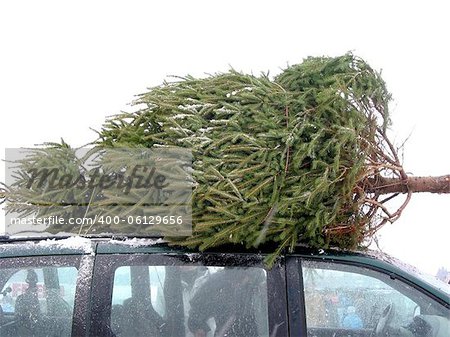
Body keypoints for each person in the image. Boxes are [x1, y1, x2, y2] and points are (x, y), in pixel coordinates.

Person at [187, 268, 265, 337]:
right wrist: (199, 329)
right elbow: (195, 315)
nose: (238, 285)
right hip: (224, 332)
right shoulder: (216, 283)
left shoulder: (261, 282)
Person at [15, 269, 42, 337]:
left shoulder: (34, 300)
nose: (35, 289)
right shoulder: (21, 299)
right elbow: (20, 320)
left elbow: (37, 317)